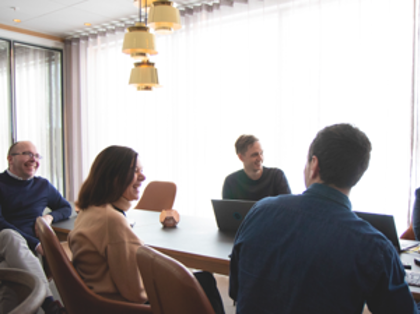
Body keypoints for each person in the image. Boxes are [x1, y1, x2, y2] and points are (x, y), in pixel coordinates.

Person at [229, 124, 418, 314]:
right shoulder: (375, 249)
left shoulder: (259, 211)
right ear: (357, 175)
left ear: (314, 165)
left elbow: (236, 290)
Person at [68, 146, 225, 313]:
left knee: (194, 279)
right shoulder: (111, 221)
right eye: (135, 171)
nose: (143, 177)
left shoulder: (89, 210)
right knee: (204, 282)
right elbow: (136, 293)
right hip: (123, 306)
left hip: (100, 301)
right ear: (114, 176)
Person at [0, 141, 71, 314]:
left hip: (24, 253)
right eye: (28, 154)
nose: (34, 159)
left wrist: (49, 217)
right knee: (10, 235)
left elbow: (66, 208)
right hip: (5, 242)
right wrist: (35, 244)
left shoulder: (43, 185)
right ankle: (49, 304)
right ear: (10, 159)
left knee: (13, 281)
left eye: (37, 156)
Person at [222, 134, 291, 201]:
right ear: (241, 157)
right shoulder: (231, 182)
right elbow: (227, 212)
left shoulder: (276, 176)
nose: (260, 158)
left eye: (261, 153)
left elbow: (288, 207)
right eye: (255, 155)